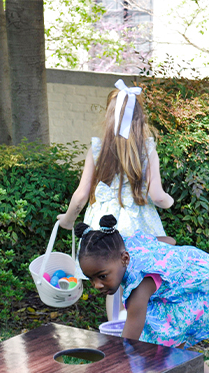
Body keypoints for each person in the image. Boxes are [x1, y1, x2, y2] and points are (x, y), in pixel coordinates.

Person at [75, 214, 209, 373]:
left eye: (102, 276)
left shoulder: (140, 283)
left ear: (124, 258)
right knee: (166, 346)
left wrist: (110, 371)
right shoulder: (124, 245)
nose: (96, 285)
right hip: (192, 271)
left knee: (163, 344)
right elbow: (169, 240)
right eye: (91, 278)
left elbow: (128, 342)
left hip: (201, 284)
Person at [57, 79, 174, 319]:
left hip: (103, 226)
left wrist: (68, 220)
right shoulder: (147, 150)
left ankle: (115, 330)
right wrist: (170, 202)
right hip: (138, 225)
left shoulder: (97, 149)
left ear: (109, 118)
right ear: (140, 118)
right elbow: (157, 195)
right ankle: (139, 327)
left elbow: (80, 196)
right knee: (138, 277)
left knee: (111, 280)